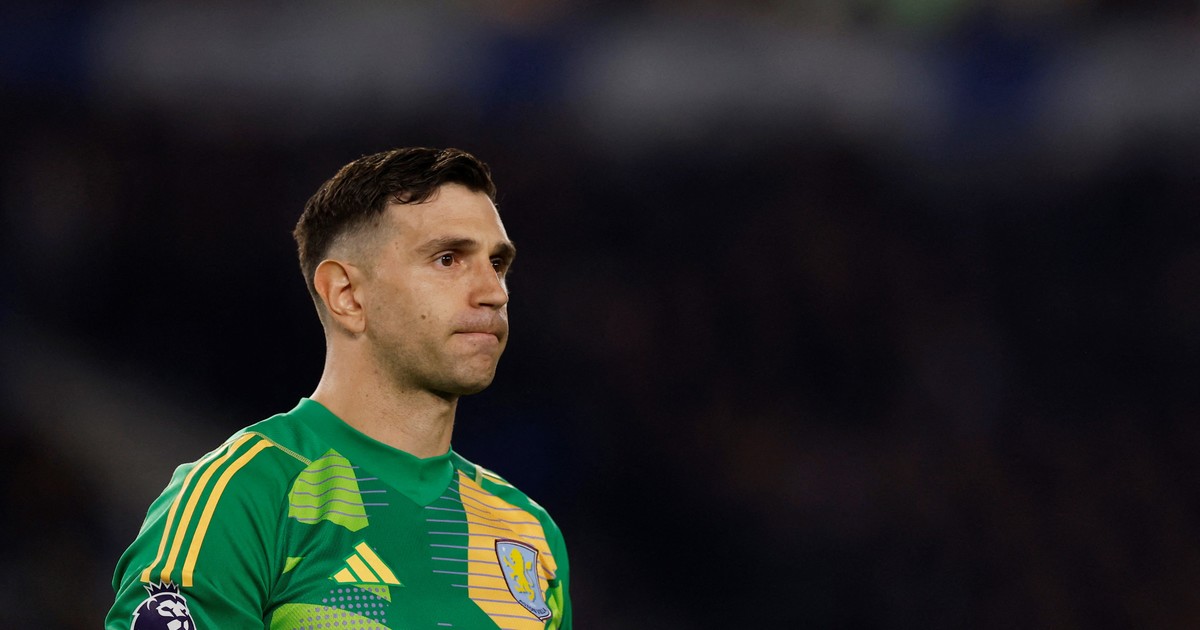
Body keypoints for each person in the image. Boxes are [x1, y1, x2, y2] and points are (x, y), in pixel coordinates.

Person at [106, 147, 572, 630]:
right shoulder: (247, 494)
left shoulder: (528, 531)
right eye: (448, 259)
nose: (494, 292)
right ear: (346, 295)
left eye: (497, 264)